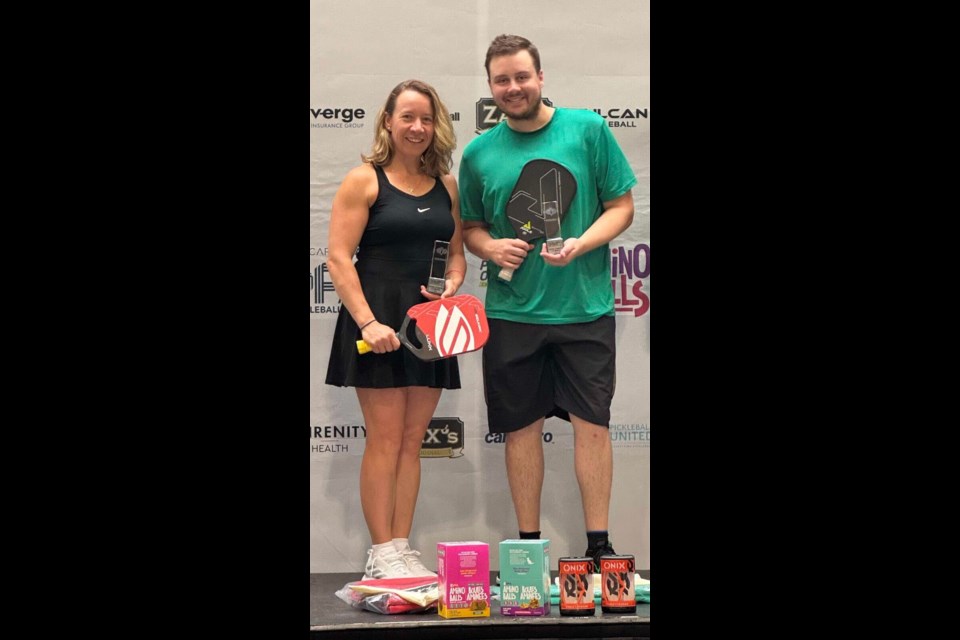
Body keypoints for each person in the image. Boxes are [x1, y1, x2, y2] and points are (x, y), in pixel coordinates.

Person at [458, 35, 637, 571]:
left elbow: (621, 205)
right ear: (490, 88)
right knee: (520, 428)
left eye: (521, 77)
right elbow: (470, 226)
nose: (513, 88)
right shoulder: (478, 152)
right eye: (501, 80)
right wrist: (489, 245)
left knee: (593, 426)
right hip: (512, 314)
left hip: (585, 309)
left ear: (541, 77)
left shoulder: (588, 130)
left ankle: (599, 547)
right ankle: (529, 546)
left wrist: (583, 242)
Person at [325, 79, 466, 579]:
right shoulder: (364, 180)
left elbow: (456, 256)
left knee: (412, 440)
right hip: (377, 321)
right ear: (388, 120)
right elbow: (339, 259)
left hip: (429, 325)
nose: (417, 127)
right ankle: (380, 551)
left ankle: (402, 546)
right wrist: (368, 321)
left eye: (426, 119)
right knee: (384, 439)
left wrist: (451, 286)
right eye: (407, 116)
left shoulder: (447, 185)